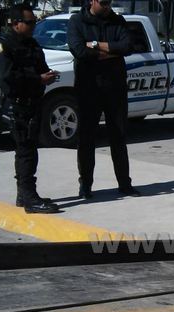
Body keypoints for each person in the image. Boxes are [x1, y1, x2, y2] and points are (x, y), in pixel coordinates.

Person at [67, 0, 140, 199]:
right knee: (87, 138)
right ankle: (86, 185)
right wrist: (111, 52)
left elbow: (127, 46)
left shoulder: (118, 21)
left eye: (109, 2)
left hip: (115, 88)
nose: (107, 5)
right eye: (103, 2)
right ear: (92, 1)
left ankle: (125, 184)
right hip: (88, 88)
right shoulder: (77, 21)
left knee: (118, 136)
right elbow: (79, 51)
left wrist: (96, 46)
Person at [0, 2, 59, 214]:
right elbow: (9, 76)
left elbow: (40, 66)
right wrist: (38, 78)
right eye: (29, 22)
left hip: (33, 103)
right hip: (17, 106)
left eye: (34, 22)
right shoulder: (3, 46)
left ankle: (24, 195)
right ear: (15, 23)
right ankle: (30, 198)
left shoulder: (32, 44)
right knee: (26, 152)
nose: (32, 26)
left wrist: (46, 76)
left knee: (29, 150)